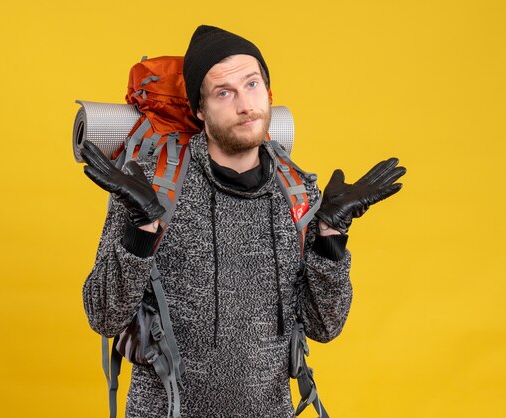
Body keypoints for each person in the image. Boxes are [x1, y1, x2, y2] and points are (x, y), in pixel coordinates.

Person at [81, 25, 406, 417]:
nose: (244, 104)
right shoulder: (151, 187)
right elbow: (104, 315)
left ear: (269, 94)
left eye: (252, 84)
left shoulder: (298, 194)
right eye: (223, 92)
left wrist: (331, 237)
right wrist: (141, 232)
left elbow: (325, 327)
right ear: (200, 110)